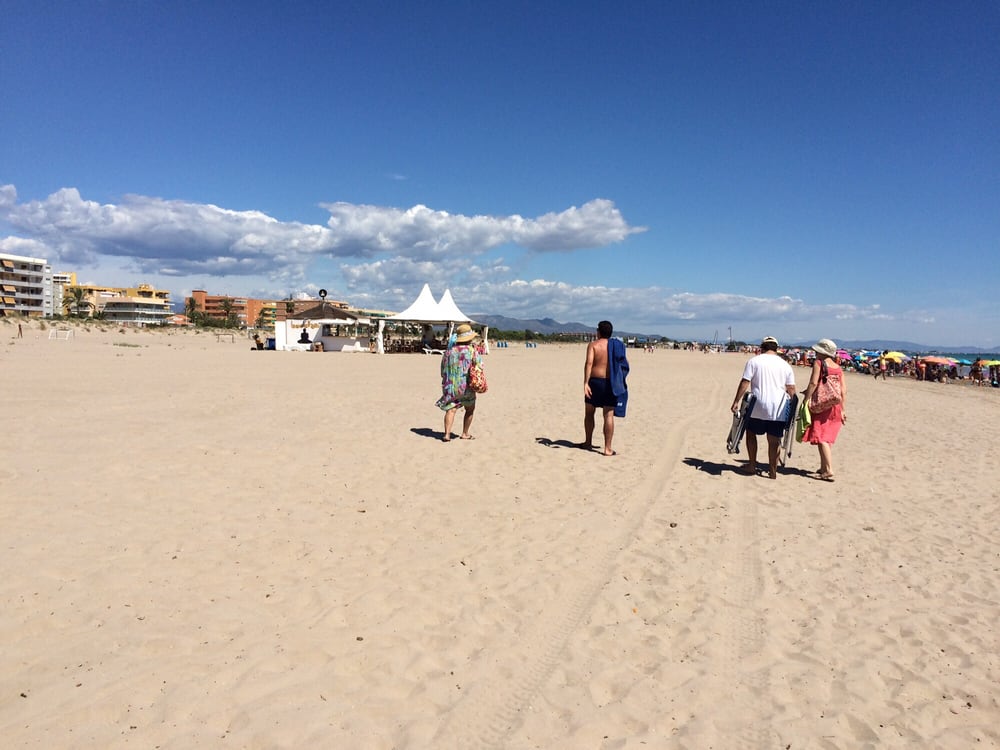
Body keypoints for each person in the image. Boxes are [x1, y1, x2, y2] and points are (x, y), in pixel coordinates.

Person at [730, 336, 796, 479]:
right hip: (779, 407)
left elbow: (745, 382)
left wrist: (736, 401)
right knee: (774, 440)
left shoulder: (754, 361)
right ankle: (772, 471)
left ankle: (752, 465)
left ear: (762, 347)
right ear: (776, 349)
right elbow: (791, 389)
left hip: (757, 405)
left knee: (751, 433)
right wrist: (792, 407)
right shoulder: (785, 365)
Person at [802, 338, 847, 481]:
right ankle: (823, 467)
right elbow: (843, 390)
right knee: (826, 437)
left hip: (822, 405)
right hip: (835, 405)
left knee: (821, 437)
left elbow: (814, 382)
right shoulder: (838, 367)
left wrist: (806, 399)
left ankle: (828, 470)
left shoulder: (819, 363)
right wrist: (843, 409)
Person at [582, 320, 629, 456]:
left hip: (595, 382)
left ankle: (588, 442)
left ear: (599, 332)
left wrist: (585, 382)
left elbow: (589, 363)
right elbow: (624, 364)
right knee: (608, 415)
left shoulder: (593, 345)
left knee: (589, 412)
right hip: (611, 383)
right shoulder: (616, 346)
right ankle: (607, 448)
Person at [435, 323, 482, 441]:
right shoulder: (472, 351)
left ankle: (447, 434)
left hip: (450, 386)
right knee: (470, 409)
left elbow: (442, 370)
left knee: (451, 409)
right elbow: (479, 366)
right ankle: (465, 433)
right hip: (466, 386)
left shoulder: (448, 352)